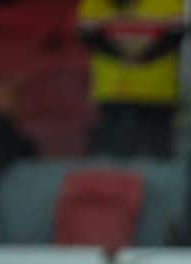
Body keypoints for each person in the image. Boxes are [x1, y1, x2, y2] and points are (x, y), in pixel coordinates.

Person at [77, 0, 185, 158]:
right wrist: (133, 55)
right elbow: (88, 35)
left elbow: (176, 36)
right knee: (116, 154)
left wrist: (134, 56)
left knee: (157, 153)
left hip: (156, 90)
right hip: (115, 90)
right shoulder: (95, 3)